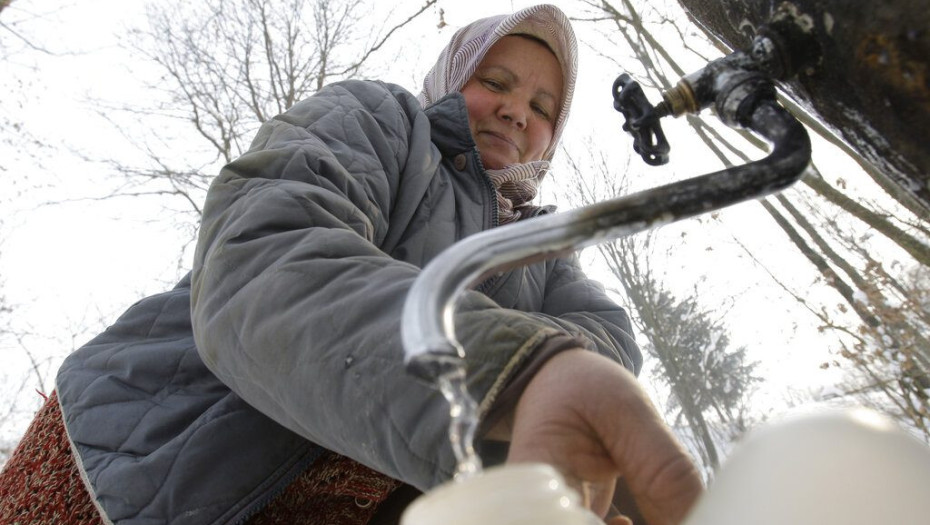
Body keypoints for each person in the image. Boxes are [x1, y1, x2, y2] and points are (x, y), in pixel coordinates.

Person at [0, 4, 702, 524]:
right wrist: (518, 369)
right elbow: (267, 255)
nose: (517, 110)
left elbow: (608, 346)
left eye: (543, 106)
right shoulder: (380, 121)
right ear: (452, 76)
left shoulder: (545, 253)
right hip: (135, 467)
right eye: (496, 81)